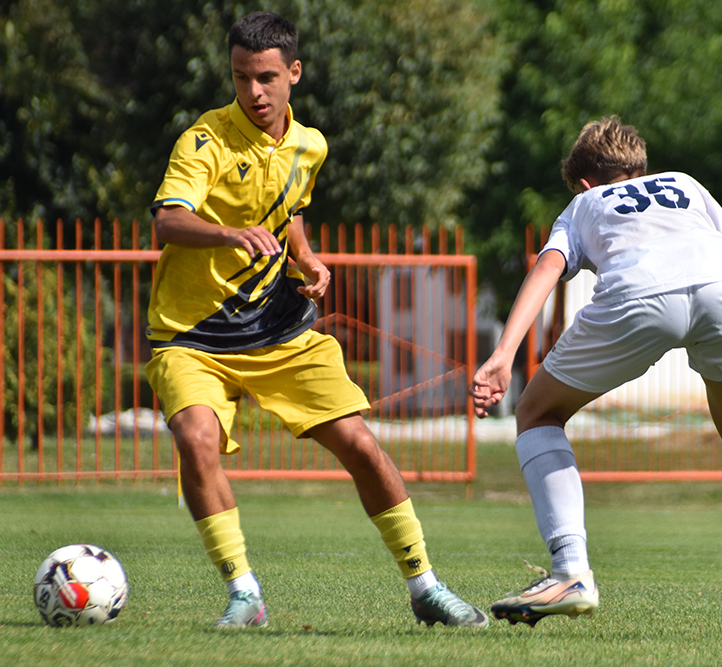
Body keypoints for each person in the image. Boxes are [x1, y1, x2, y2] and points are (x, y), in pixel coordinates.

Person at [470, 116, 722, 639]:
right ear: (641, 168)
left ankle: (571, 571)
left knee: (536, 413)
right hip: (721, 295)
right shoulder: (686, 186)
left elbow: (548, 267)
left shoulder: (584, 204)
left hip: (637, 299)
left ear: (585, 182)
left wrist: (504, 353)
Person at [145, 11, 487, 629]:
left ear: (294, 73)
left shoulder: (311, 145)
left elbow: (289, 209)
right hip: (191, 334)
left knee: (361, 444)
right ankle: (244, 594)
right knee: (196, 442)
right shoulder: (204, 140)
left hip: (278, 329)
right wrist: (229, 233)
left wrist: (305, 256)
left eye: (267, 77)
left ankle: (426, 587)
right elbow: (168, 220)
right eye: (241, 77)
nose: (254, 91)